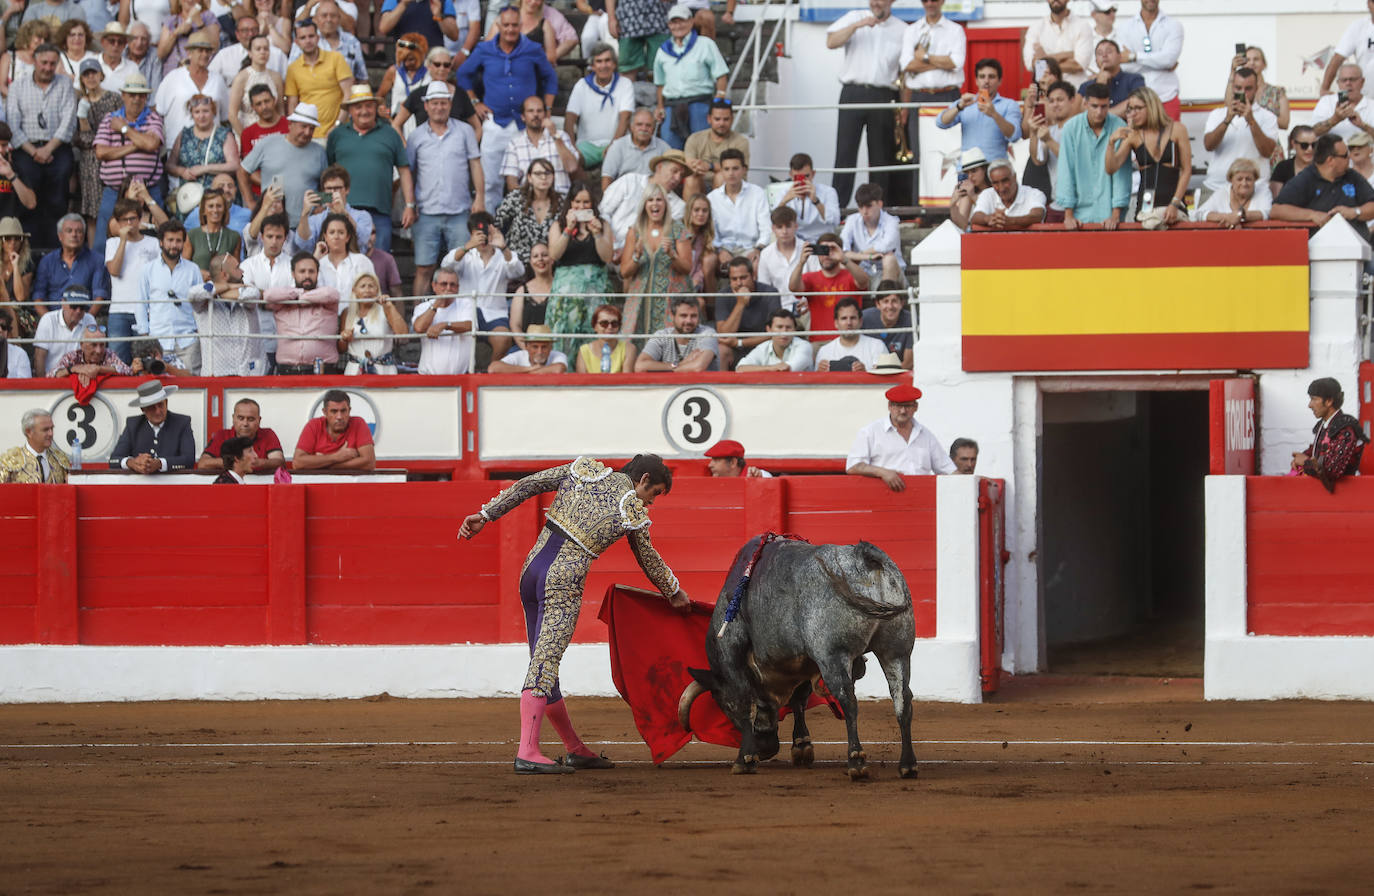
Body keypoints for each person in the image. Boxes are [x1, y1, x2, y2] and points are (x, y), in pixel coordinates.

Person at [458, 452, 687, 773]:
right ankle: (527, 751)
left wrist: (486, 514)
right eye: (654, 494)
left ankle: (575, 748)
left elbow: (528, 485)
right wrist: (674, 591)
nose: (649, 503)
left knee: (542, 660)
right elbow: (647, 557)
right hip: (562, 581)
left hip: (531, 571)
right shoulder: (630, 507)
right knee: (545, 663)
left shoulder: (584, 470)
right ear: (644, 479)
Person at [455, 5, 557, 212]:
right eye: (506, 25)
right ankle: (491, 227)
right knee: (491, 181)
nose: (510, 29)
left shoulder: (533, 49)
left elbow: (551, 77)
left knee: (529, 181)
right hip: (495, 122)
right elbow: (463, 74)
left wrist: (546, 108)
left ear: (521, 25)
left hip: (524, 125)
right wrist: (475, 102)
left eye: (514, 25)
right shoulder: (484, 50)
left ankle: (527, 222)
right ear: (499, 25)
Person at [407, 81, 483, 298]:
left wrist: (480, 198)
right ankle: (418, 319)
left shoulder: (466, 131)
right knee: (424, 268)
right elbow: (409, 173)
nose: (439, 107)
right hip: (426, 212)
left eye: (443, 103)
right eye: (434, 103)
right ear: (427, 106)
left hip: (459, 210)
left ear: (449, 105)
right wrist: (410, 205)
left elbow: (475, 164)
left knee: (463, 267)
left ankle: (464, 318)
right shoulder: (416, 136)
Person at [828, 0, 905, 209]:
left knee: (881, 156)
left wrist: (904, 108)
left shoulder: (902, 29)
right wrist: (856, 26)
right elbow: (831, 41)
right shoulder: (854, 16)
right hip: (852, 92)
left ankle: (878, 206)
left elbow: (904, 72)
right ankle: (838, 208)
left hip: (883, 94)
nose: (876, 3)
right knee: (845, 153)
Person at [326, 84, 415, 251]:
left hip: (379, 212)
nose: (364, 111)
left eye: (368, 106)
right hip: (342, 210)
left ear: (375, 108)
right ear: (350, 111)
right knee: (342, 262)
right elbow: (327, 173)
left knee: (379, 264)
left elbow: (404, 171)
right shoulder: (337, 135)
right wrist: (325, 204)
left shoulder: (390, 134)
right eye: (358, 107)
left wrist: (409, 206)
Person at [8, 43, 77, 248]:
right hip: (26, 148)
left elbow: (69, 122)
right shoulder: (17, 86)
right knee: (29, 198)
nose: (48, 67)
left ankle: (55, 248)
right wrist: (33, 151)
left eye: (52, 64)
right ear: (34, 61)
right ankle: (30, 248)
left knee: (57, 198)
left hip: (56, 147)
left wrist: (48, 149)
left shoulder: (65, 84)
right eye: (44, 63)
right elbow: (13, 123)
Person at [896, 0, 964, 206]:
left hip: (948, 96)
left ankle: (952, 206)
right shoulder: (912, 30)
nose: (930, 3)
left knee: (952, 152)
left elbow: (956, 63)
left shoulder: (955, 30)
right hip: (920, 97)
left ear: (942, 1)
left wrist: (924, 57)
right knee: (920, 153)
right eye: (926, 0)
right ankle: (921, 208)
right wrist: (940, 62)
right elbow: (906, 65)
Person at [91, 71, 163, 249]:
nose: (136, 100)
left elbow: (152, 143)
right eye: (132, 95)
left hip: (148, 189)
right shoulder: (110, 118)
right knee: (104, 239)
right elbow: (101, 152)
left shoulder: (153, 118)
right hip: (115, 190)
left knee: (158, 233)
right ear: (123, 95)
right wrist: (138, 143)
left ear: (146, 97)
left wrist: (124, 129)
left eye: (141, 96)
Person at [440, 210, 522, 360]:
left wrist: (503, 247)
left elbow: (517, 271)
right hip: (464, 312)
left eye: (487, 233)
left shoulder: (503, 254)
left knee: (503, 339)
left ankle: (491, 373)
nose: (483, 238)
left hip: (495, 313)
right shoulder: (465, 254)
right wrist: (467, 247)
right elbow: (446, 265)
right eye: (478, 234)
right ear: (470, 234)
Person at [545, 182, 612, 358]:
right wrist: (568, 229)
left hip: (594, 292)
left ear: (592, 204)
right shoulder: (558, 225)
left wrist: (597, 233)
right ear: (570, 203)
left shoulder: (603, 224)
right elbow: (554, 254)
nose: (581, 207)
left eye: (586, 202)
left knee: (592, 335)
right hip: (566, 295)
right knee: (565, 337)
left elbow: (607, 257)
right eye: (577, 202)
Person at [1106, 86, 1190, 223]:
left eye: (1138, 108)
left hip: (1173, 202)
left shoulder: (1177, 129)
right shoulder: (1133, 135)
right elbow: (1111, 167)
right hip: (1146, 206)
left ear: (1151, 106)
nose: (1133, 114)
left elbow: (1186, 170)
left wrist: (1175, 203)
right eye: (1130, 109)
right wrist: (1111, 143)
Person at [847, 382, 954, 490]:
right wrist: (882, 472)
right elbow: (853, 466)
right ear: (889, 406)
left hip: (921, 498)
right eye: (898, 406)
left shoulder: (926, 434)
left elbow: (948, 469)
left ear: (915, 407)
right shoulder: (870, 432)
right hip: (883, 497)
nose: (903, 411)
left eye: (907, 406)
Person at [620, 181, 691, 337]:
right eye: (650, 200)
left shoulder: (677, 229)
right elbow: (624, 272)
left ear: (665, 204)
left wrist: (672, 255)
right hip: (641, 299)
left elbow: (687, 268)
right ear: (644, 205)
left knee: (670, 347)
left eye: (659, 200)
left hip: (670, 299)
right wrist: (636, 256)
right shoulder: (635, 231)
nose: (655, 204)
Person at [652, 4, 727, 151]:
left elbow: (721, 74)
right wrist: (660, 106)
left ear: (691, 22)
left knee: (703, 152)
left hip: (699, 104)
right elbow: (660, 83)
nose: (678, 25)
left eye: (682, 21)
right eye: (674, 22)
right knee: (671, 153)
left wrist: (720, 99)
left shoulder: (705, 44)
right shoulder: (663, 50)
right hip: (671, 107)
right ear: (669, 25)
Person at [1056, 82, 1130, 230]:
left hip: (1111, 215)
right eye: (1094, 106)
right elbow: (1066, 171)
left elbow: (1122, 173)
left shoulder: (1119, 126)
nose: (1099, 112)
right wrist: (1068, 215)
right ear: (1085, 104)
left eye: (1104, 106)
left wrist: (1115, 215)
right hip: (1078, 215)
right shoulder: (1070, 128)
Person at [239, 102, 327, 227]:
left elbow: (326, 184)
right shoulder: (267, 144)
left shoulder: (319, 152)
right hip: (272, 224)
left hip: (307, 225)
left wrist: (322, 205)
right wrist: (250, 201)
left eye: (312, 128)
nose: (307, 132)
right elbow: (242, 171)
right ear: (290, 124)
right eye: (304, 126)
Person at [137, 219, 207, 374]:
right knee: (161, 386)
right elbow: (141, 304)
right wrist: (146, 336)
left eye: (178, 241)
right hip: (158, 340)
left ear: (183, 243)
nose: (174, 245)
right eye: (170, 240)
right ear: (161, 242)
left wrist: (197, 332)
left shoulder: (193, 269)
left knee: (192, 388)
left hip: (188, 340)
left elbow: (201, 304)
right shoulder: (148, 269)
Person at [1272, 136, 1374, 242]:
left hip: (1357, 249)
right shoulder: (1306, 179)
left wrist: (1355, 212)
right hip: (1318, 250)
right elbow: (1276, 210)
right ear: (1330, 160)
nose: (1349, 159)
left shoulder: (1352, 176)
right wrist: (1312, 215)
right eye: (1345, 156)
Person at [1201, 67, 1278, 201]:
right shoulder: (1217, 114)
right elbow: (1209, 145)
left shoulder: (1268, 117)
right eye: (1238, 88)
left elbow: (1267, 151)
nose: (1243, 93)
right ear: (1232, 87)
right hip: (1216, 187)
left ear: (1256, 88)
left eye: (1248, 89)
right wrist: (1227, 119)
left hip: (1255, 190)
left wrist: (1251, 120)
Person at [191, 252, 267, 376]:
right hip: (216, 374)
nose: (242, 271)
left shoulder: (247, 289)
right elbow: (193, 294)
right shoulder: (203, 300)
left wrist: (220, 293)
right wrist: (229, 287)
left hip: (248, 373)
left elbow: (253, 293)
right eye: (237, 268)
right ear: (224, 275)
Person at [265, 250, 340, 373]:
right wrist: (299, 293)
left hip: (323, 371)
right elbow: (268, 295)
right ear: (293, 274)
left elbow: (331, 294)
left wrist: (303, 296)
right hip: (288, 371)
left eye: (311, 271)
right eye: (302, 271)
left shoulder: (326, 298)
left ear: (317, 274)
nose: (307, 276)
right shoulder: (284, 298)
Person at [935, 58, 1021, 165]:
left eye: (991, 76)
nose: (986, 81)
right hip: (968, 170)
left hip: (995, 171)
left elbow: (1015, 136)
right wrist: (959, 107)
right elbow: (941, 123)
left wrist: (994, 114)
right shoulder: (966, 102)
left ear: (1000, 81)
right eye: (982, 76)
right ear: (976, 81)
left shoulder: (1009, 104)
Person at [1291, 376, 1368, 493]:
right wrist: (1300, 457)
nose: (1310, 405)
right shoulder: (1325, 425)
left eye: (1314, 399)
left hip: (1343, 496)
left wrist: (1305, 462)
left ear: (1329, 401)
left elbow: (1332, 470)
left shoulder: (1346, 430)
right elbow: (1319, 450)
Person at [601, 148, 687, 251]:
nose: (678, 178)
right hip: (605, 244)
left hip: (640, 255)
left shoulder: (679, 207)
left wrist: (627, 249)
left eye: (681, 175)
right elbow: (604, 211)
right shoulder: (629, 181)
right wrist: (609, 240)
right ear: (659, 167)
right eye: (674, 171)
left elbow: (661, 236)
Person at [152, 30, 226, 148]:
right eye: (200, 50)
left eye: (208, 51)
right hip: (178, 147)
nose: (205, 54)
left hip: (211, 148)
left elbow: (224, 116)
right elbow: (158, 111)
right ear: (189, 53)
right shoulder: (173, 78)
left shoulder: (218, 80)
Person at [789, 232, 869, 342]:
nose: (827, 255)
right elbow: (793, 288)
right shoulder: (810, 278)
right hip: (819, 341)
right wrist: (801, 262)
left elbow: (864, 281)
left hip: (849, 340)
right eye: (822, 250)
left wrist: (844, 259)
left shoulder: (850, 275)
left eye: (832, 249)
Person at [563, 43, 632, 168]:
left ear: (614, 64)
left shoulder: (625, 84)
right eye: (599, 61)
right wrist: (571, 148)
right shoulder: (582, 85)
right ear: (593, 66)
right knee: (570, 160)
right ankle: (583, 186)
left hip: (617, 144)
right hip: (586, 146)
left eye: (607, 61)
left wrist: (613, 146)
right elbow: (569, 119)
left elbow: (625, 119)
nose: (603, 65)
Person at [73, 58, 119, 240]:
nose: (90, 77)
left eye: (93, 73)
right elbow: (80, 137)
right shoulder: (79, 101)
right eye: (86, 74)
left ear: (101, 75)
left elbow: (120, 126)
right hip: (89, 162)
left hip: (112, 157)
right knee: (92, 213)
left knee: (113, 212)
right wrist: (82, 117)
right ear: (82, 79)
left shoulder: (114, 98)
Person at [284, 17, 353, 140]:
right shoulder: (293, 69)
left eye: (311, 36)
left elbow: (348, 94)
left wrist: (337, 125)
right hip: (308, 134)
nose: (308, 41)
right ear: (296, 42)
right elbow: (292, 105)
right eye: (303, 38)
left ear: (318, 37)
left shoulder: (336, 58)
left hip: (339, 131)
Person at [109, 378, 197, 473]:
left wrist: (160, 464)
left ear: (166, 403)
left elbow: (189, 460)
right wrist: (132, 463)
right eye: (152, 407)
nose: (158, 411)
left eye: (161, 405)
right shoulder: (133, 425)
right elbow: (114, 460)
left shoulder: (182, 423)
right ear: (143, 409)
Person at [500, 94, 580, 196]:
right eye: (531, 111)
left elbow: (572, 167)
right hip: (528, 202)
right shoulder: (515, 144)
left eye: (539, 111)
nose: (535, 115)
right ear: (523, 117)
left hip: (560, 199)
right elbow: (511, 183)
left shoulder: (561, 136)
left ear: (546, 114)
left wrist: (555, 135)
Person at [1116, 0, 1183, 120]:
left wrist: (1133, 57)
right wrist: (1161, 63)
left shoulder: (1174, 25)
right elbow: (1124, 66)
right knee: (1136, 139)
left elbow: (1169, 60)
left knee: (1170, 137)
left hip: (1166, 96)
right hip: (1135, 99)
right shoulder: (1124, 27)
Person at [34, 215, 109, 315]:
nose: (74, 235)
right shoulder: (47, 261)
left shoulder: (96, 260)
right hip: (53, 317)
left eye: (79, 231)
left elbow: (99, 296)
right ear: (60, 236)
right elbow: (38, 297)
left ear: (84, 235)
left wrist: (86, 320)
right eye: (69, 231)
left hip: (85, 316)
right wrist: (50, 322)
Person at [708, 148, 769, 269]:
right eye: (726, 169)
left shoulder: (757, 193)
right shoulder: (712, 198)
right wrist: (720, 251)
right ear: (721, 171)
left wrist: (758, 250)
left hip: (751, 247)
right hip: (724, 249)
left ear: (744, 170)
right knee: (708, 262)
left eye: (735, 168)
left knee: (757, 264)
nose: (731, 173)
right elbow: (711, 233)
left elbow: (766, 228)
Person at [494, 157, 562, 266]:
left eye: (548, 173)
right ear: (529, 178)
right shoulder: (516, 198)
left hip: (549, 264)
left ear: (553, 177)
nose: (544, 177)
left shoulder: (561, 202)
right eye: (538, 173)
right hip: (517, 263)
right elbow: (496, 226)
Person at [337, 270, 405, 374]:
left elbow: (402, 333)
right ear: (354, 290)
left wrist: (390, 307)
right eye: (363, 286)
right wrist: (344, 338)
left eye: (371, 286)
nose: (367, 290)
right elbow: (341, 349)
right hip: (354, 371)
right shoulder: (347, 313)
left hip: (384, 370)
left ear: (377, 290)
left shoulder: (385, 309)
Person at [411, 265, 475, 374]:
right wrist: (436, 304)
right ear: (434, 286)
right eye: (444, 284)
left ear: (458, 288)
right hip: (428, 377)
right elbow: (419, 327)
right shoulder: (423, 307)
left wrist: (445, 325)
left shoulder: (466, 303)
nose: (448, 288)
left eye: (453, 285)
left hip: (461, 378)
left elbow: (469, 325)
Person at [293, 388, 376, 470]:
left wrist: (323, 464)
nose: (339, 417)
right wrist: (337, 457)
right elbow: (297, 463)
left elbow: (369, 463)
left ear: (349, 410)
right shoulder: (314, 425)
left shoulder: (358, 423)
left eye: (343, 411)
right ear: (325, 412)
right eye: (334, 411)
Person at [681, 96, 746, 198]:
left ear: (732, 119)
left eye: (726, 119)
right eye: (717, 119)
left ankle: (720, 213)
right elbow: (689, 164)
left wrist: (709, 166)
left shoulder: (741, 141)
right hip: (701, 183)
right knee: (691, 180)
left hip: (731, 185)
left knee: (721, 177)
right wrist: (697, 166)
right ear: (709, 119)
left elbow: (739, 168)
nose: (721, 123)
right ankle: (691, 214)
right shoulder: (695, 138)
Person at [841, 183, 903, 287]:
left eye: (869, 206)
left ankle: (886, 299)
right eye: (861, 207)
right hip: (863, 274)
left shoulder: (891, 221)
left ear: (880, 204)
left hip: (892, 274)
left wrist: (861, 255)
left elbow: (886, 246)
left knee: (889, 259)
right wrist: (869, 256)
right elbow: (842, 250)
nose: (864, 211)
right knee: (841, 263)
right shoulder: (852, 220)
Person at [289, 1, 367, 84]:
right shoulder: (306, 41)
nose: (329, 19)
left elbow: (362, 78)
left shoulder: (352, 42)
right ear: (315, 20)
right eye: (324, 16)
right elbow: (291, 73)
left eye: (333, 16)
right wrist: (309, 7)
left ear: (339, 19)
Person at [635, 294, 718, 372]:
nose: (689, 321)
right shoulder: (662, 336)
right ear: (672, 316)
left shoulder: (707, 333)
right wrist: (680, 364)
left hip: (701, 386)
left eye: (693, 316)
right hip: (668, 387)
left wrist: (670, 369)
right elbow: (640, 366)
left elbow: (698, 367)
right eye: (683, 316)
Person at [199, 398, 285, 472]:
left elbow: (279, 462)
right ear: (233, 418)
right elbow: (203, 463)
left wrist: (258, 463)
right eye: (241, 418)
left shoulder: (268, 434)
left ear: (259, 420)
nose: (245, 423)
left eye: (250, 419)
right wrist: (235, 462)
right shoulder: (222, 435)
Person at [773, 152, 839, 245]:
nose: (803, 181)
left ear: (813, 174)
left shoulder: (828, 192)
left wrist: (816, 201)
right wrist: (785, 201)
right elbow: (774, 222)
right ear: (791, 175)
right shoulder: (784, 193)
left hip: (822, 242)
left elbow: (835, 221)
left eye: (806, 176)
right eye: (797, 177)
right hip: (794, 243)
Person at [227, 35, 286, 137]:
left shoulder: (276, 77)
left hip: (273, 132)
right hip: (248, 130)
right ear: (250, 53)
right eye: (258, 49)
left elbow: (280, 110)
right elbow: (232, 115)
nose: (262, 52)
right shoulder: (241, 78)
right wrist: (245, 138)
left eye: (266, 49)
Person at [754, 205, 807, 318]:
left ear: (795, 226)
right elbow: (765, 290)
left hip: (808, 308)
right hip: (778, 312)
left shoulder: (807, 249)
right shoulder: (766, 254)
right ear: (773, 229)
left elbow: (818, 282)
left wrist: (808, 302)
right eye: (779, 227)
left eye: (788, 226)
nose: (784, 231)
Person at [32, 285, 98, 375]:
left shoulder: (89, 319)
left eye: (83, 307)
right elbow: (39, 357)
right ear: (63, 303)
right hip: (53, 379)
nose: (78, 311)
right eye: (74, 306)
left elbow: (95, 354)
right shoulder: (48, 319)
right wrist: (43, 384)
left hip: (80, 378)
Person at [600, 107, 669, 191]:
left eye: (648, 125)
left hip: (652, 196)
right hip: (624, 194)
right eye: (639, 124)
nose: (644, 129)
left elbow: (669, 177)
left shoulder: (663, 148)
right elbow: (607, 178)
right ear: (631, 127)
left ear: (654, 128)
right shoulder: (618, 146)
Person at [214, 16, 287, 94]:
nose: (250, 34)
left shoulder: (277, 54)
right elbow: (211, 80)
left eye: (254, 30)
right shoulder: (223, 55)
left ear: (259, 31)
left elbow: (286, 84)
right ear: (237, 34)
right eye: (245, 30)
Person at [969, 159, 1046, 231]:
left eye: (1005, 181)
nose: (1001, 188)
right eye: (995, 183)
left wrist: (1010, 221)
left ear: (1015, 177)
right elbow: (975, 217)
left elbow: (1037, 215)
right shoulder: (987, 194)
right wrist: (989, 219)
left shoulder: (1034, 194)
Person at [605, 0, 669, 82]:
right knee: (627, 68)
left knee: (662, 66)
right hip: (628, 18)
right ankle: (626, 94)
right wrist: (611, 18)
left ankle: (660, 94)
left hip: (660, 16)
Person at [0, 407, 70, 483]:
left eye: (52, 428)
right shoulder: (9, 461)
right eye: (45, 429)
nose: (51, 433)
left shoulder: (60, 459)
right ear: (29, 432)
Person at [814, 297, 884, 372]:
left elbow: (885, 381)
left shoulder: (877, 346)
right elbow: (816, 383)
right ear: (836, 323)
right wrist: (819, 373)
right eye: (844, 318)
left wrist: (865, 374)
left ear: (860, 321)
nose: (849, 323)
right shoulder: (825, 351)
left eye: (853, 318)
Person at [1195, 158, 1270, 228]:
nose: (1244, 183)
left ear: (1255, 180)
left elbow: (1268, 212)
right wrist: (1226, 217)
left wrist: (1240, 216)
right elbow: (1199, 214)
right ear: (1231, 180)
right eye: (1239, 179)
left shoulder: (1263, 191)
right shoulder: (1223, 192)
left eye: (1248, 179)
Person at [735, 307, 812, 373]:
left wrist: (765, 369)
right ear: (769, 329)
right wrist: (771, 368)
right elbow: (740, 368)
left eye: (788, 327)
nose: (784, 332)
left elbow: (786, 369)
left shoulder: (804, 346)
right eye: (779, 327)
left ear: (794, 330)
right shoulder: (763, 348)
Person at [1312, 64, 1374, 145]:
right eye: (1344, 80)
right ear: (1338, 83)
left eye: (1352, 79)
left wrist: (1363, 125)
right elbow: (1312, 133)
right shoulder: (1326, 102)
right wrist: (1335, 119)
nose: (1348, 83)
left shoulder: (1371, 105)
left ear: (1362, 82)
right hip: (1332, 156)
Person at [378, 32, 431, 126]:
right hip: (398, 121)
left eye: (411, 59)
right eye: (404, 60)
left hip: (422, 122)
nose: (407, 63)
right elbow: (380, 96)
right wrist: (382, 109)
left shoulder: (429, 73)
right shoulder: (394, 71)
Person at [48, 322, 132, 381]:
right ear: (82, 345)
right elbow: (50, 375)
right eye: (93, 345)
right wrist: (74, 369)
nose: (98, 351)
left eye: (102, 345)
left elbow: (128, 371)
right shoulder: (72, 356)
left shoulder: (109, 354)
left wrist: (99, 369)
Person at [1079, 38, 1142, 117]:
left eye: (1109, 52)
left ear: (1119, 56)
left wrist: (1103, 115)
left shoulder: (1134, 80)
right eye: (1100, 53)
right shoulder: (1086, 86)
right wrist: (1099, 85)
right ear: (1096, 61)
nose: (1104, 55)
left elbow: (1136, 104)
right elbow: (1082, 112)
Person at [1323, 6, 1374, 100]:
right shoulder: (1359, 27)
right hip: (1365, 99)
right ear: (1368, 3)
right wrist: (1324, 89)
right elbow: (1337, 59)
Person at [158, 0, 219, 78]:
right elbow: (161, 54)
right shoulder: (171, 20)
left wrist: (199, 22)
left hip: (201, 72)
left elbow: (215, 46)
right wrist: (175, 33)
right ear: (179, 1)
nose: (190, 0)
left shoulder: (208, 16)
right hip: (174, 74)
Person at [377, 0, 459, 56]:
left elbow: (454, 35)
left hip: (432, 61)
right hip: (405, 58)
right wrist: (403, 4)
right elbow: (384, 27)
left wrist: (438, 16)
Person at [510, 241, 552, 349]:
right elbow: (515, 326)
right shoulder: (522, 291)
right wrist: (527, 350)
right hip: (525, 348)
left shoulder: (561, 288)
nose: (540, 259)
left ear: (552, 259)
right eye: (535, 256)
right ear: (531, 262)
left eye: (545, 255)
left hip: (554, 349)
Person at [861, 280, 912, 369]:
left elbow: (909, 362)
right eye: (886, 301)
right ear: (878, 304)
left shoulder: (910, 320)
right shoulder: (864, 318)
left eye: (894, 301)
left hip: (898, 374)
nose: (890, 306)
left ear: (902, 303)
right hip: (869, 372)